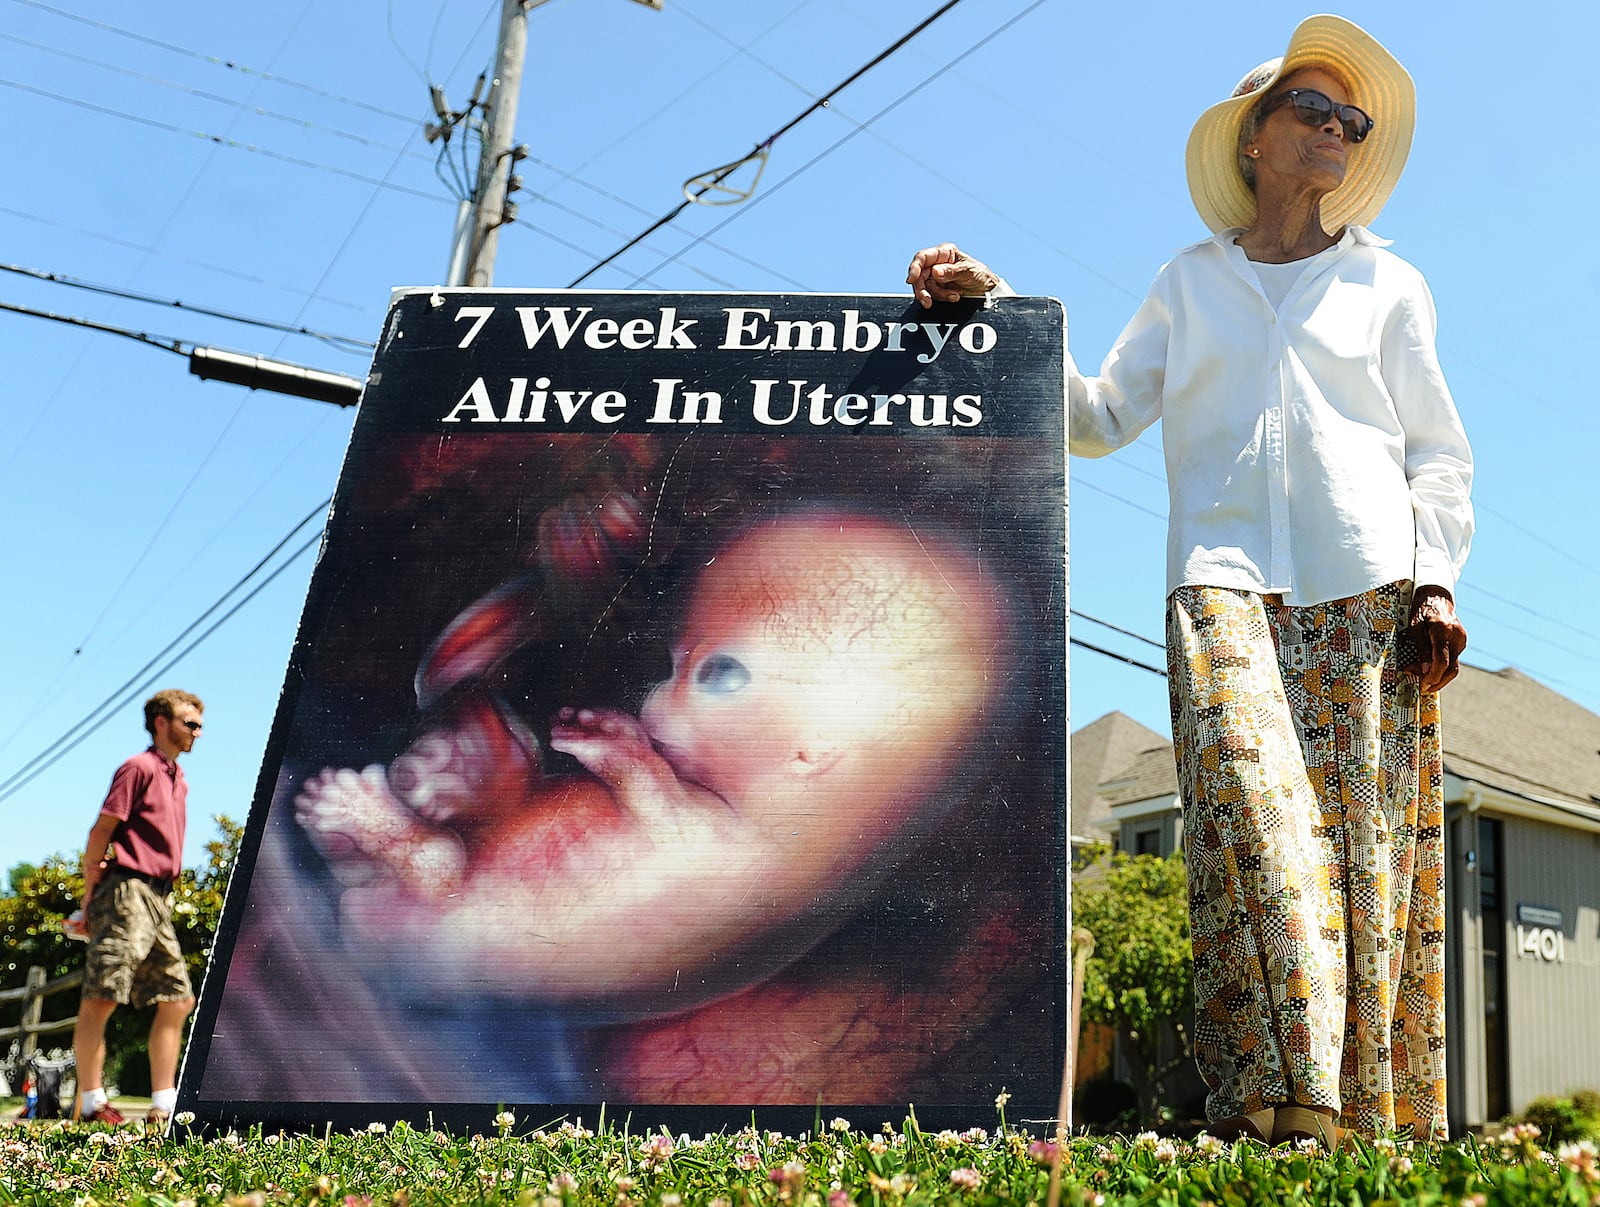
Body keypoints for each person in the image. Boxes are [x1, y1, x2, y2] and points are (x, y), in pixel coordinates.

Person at [908, 14, 1470, 1145]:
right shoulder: (1188, 280)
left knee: (1358, 850)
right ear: (1251, 138)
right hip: (1218, 584)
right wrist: (1003, 306)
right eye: (1311, 111)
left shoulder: (1388, 286)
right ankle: (1284, 1095)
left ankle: (1339, 1121)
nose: (1335, 131)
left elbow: (1436, 451)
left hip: (1366, 591)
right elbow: (1103, 417)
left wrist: (1436, 578)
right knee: (1252, 824)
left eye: (1350, 122)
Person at [73, 689, 204, 1129]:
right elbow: (103, 827)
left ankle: (164, 1105)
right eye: (190, 722)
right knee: (103, 993)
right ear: (161, 722)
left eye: (200, 724)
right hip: (126, 889)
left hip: (158, 898)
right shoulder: (139, 768)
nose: (197, 732)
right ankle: (92, 1102)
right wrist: (92, 881)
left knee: (178, 999)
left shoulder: (179, 779)